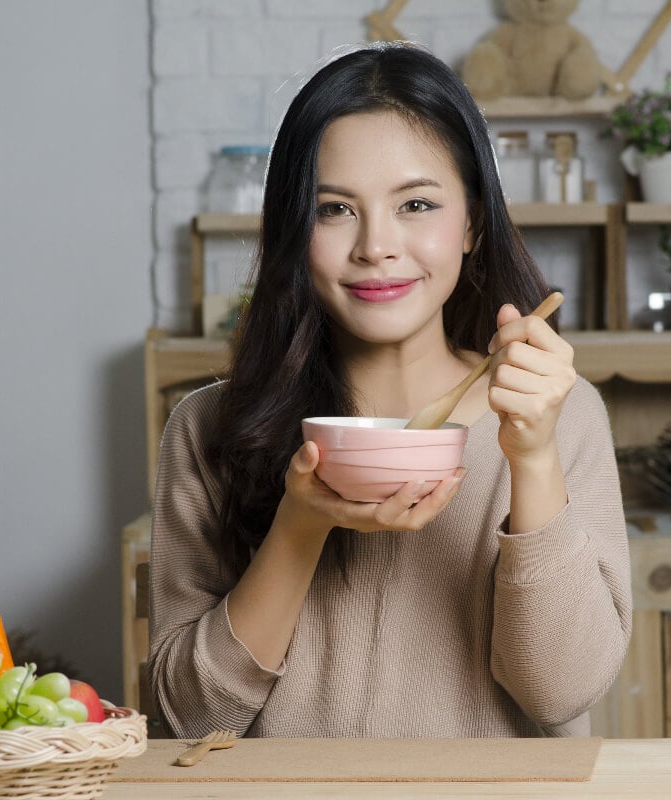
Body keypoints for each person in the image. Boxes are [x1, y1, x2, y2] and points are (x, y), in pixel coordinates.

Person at [148, 42, 631, 740]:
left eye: (416, 204)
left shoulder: (561, 413)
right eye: (334, 209)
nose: (376, 245)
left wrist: (532, 457)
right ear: (294, 230)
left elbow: (562, 693)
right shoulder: (208, 426)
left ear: (472, 223)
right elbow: (187, 720)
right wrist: (300, 524)